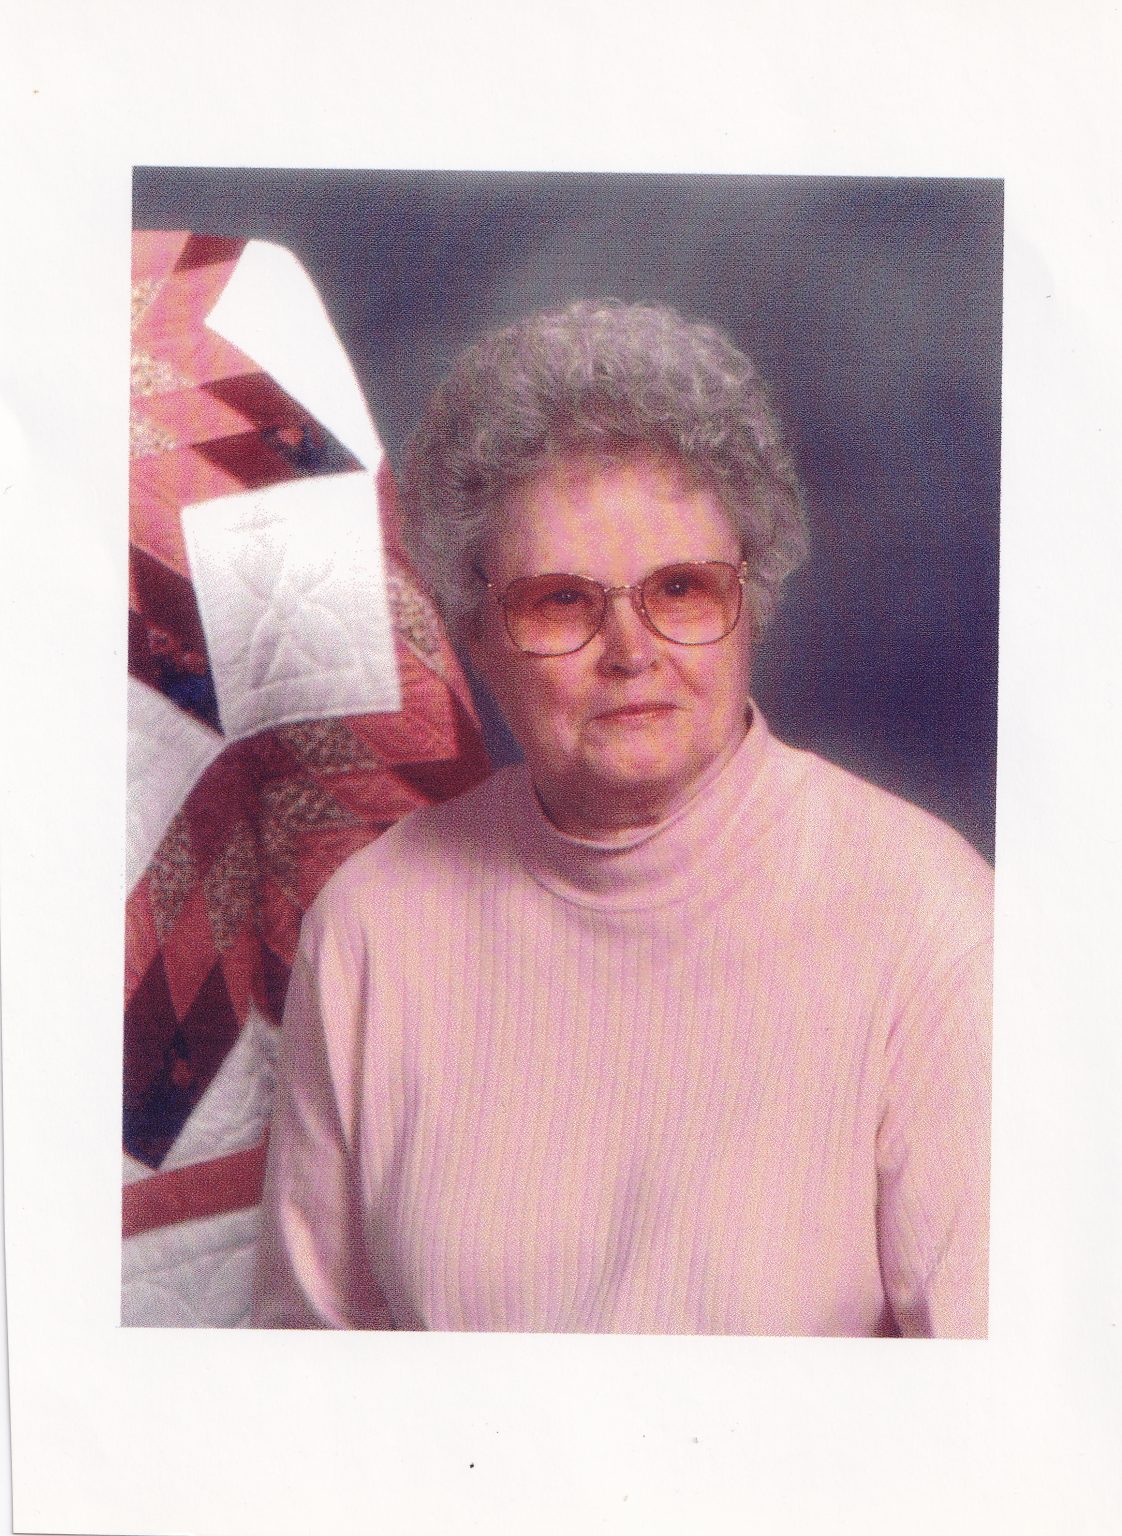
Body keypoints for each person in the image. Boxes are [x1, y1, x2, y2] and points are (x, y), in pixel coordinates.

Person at [251, 299, 992, 1336]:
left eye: (681, 589)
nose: (632, 651)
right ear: (477, 631)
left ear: (751, 599)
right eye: (561, 600)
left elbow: (996, 1406)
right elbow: (303, 1382)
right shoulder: (370, 925)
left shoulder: (931, 920)